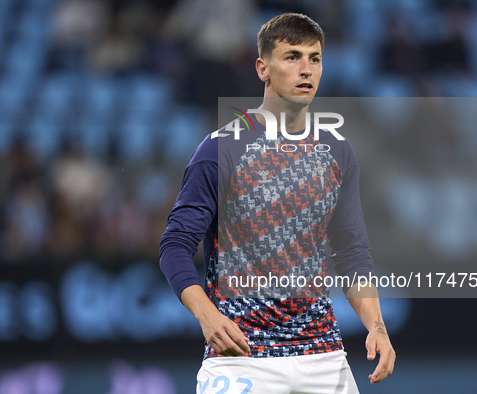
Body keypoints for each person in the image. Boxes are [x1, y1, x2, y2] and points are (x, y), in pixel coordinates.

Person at [160, 13, 395, 394]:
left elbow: (352, 253)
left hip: (323, 358)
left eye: (314, 59)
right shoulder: (220, 149)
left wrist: (377, 328)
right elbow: (175, 246)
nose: (306, 70)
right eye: (292, 57)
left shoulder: (337, 152)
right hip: (241, 359)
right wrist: (208, 317)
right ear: (262, 68)